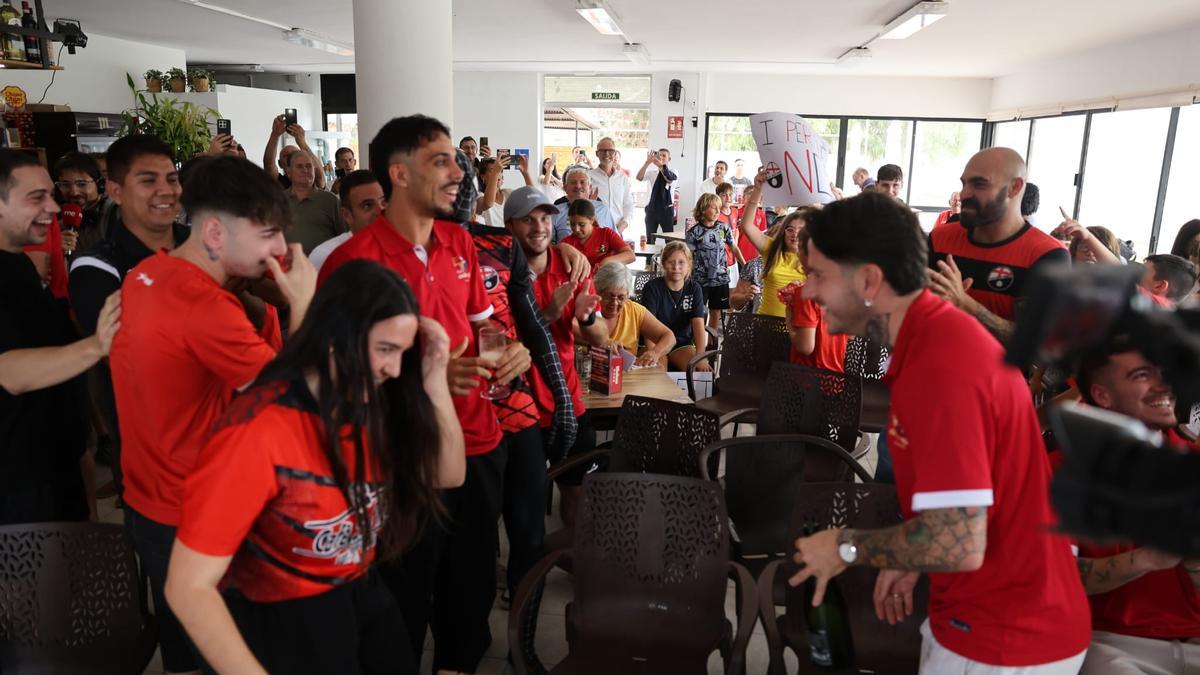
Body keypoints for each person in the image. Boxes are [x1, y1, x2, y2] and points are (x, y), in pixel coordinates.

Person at [791, 190, 1091, 674]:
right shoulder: (934, 339)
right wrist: (911, 553)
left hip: (1006, 636)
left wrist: (845, 545)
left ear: (868, 280)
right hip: (991, 616)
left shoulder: (941, 365)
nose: (808, 292)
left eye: (818, 275)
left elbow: (958, 543)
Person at [164, 261, 465, 675]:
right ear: (335, 337)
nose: (394, 369)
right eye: (385, 349)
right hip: (282, 609)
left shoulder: (372, 399)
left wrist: (434, 380)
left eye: (401, 352)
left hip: (357, 586)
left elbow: (448, 474)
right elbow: (187, 587)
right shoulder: (258, 432)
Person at [319, 115, 532, 673]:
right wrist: (426, 378)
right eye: (440, 161)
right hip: (401, 459)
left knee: (470, 589)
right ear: (399, 174)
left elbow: (484, 328)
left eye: (455, 161)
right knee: (402, 600)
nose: (458, 173)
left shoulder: (458, 241)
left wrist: (512, 350)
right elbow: (335, 382)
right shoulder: (352, 262)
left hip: (477, 443)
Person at [111, 156, 315, 675]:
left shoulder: (147, 273)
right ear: (215, 233)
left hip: (152, 502)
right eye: (268, 235)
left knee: (186, 653)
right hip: (200, 515)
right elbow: (297, 404)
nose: (280, 250)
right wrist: (304, 304)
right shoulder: (206, 307)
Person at [0, 149, 121, 525]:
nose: (54, 207)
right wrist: (98, 344)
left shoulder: (17, 265)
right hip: (19, 489)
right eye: (37, 198)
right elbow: (10, 371)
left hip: (52, 469)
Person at [1065, 339, 1200, 675]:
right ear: (1102, 395)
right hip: (1109, 642)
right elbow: (1056, 578)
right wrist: (1147, 559)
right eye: (1143, 375)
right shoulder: (1058, 473)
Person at [68, 135, 191, 496]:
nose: (165, 190)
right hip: (155, 454)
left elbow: (260, 313)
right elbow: (125, 357)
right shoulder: (97, 265)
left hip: (229, 438)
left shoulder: (203, 242)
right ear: (115, 191)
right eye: (148, 180)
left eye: (171, 179)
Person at [506, 185, 608, 529]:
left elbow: (601, 337)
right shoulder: (498, 274)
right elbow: (498, 343)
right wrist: (547, 314)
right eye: (528, 220)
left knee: (576, 495)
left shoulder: (572, 269)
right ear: (509, 226)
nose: (539, 227)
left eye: (545, 218)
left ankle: (572, 558)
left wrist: (587, 318)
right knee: (525, 507)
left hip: (568, 404)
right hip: (519, 412)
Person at [928, 148, 1069, 341]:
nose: (964, 194)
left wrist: (967, 305)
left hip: (995, 362)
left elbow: (1036, 344)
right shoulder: (940, 238)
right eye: (964, 183)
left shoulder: (1047, 254)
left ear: (1015, 188)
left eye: (979, 184)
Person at [739, 170, 809, 318]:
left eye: (801, 230)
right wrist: (758, 189)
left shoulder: (815, 258)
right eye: (790, 229)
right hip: (766, 323)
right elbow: (746, 225)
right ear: (783, 232)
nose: (795, 234)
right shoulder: (772, 249)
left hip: (798, 327)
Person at [785, 227, 848, 373]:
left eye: (800, 248)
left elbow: (805, 347)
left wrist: (789, 320)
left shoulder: (806, 293)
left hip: (806, 379)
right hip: (835, 378)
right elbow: (850, 336)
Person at [640, 241, 709, 372]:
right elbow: (647, 326)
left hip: (682, 344)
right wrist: (652, 353)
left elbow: (698, 323)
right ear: (663, 264)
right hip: (656, 342)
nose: (676, 267)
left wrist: (701, 356)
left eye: (681, 262)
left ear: (689, 265)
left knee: (697, 370)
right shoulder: (652, 288)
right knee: (657, 371)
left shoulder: (694, 288)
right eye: (671, 262)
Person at [593, 261, 675, 369]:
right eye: (609, 296)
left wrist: (655, 353)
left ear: (628, 295)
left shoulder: (634, 311)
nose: (614, 303)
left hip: (626, 375)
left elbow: (669, 336)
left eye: (621, 297)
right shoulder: (586, 308)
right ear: (597, 291)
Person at [687, 192, 746, 329]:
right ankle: (698, 339)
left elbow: (734, 247)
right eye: (714, 207)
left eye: (719, 208)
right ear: (703, 209)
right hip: (700, 280)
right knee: (698, 313)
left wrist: (745, 265)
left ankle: (712, 341)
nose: (718, 211)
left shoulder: (723, 227)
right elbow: (688, 257)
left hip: (720, 279)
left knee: (715, 312)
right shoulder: (693, 232)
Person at [309, 170, 386, 272]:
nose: (380, 211)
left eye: (383, 202)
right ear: (347, 215)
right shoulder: (325, 255)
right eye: (367, 206)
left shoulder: (399, 247)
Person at [283, 147, 344, 255]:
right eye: (299, 166)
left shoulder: (330, 201)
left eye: (309, 166)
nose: (305, 170)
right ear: (288, 172)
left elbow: (345, 236)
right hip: (289, 264)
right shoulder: (278, 201)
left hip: (326, 264)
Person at [52, 151, 113, 253]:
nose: (74, 192)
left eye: (82, 184)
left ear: (100, 184)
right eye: (65, 184)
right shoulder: (56, 221)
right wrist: (56, 251)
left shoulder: (117, 213)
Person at [562, 199, 634, 268]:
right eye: (572, 224)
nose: (576, 229)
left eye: (582, 224)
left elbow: (630, 255)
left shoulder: (606, 234)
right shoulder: (566, 243)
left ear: (592, 220)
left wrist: (606, 261)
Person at [551, 166, 616, 242]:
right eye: (573, 183)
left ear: (590, 188)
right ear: (565, 188)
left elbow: (615, 240)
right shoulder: (556, 213)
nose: (578, 186)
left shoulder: (603, 209)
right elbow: (548, 243)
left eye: (582, 182)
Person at [262, 115, 326, 190]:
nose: (291, 157)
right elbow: (269, 164)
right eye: (286, 156)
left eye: (295, 154)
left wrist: (302, 142)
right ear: (280, 164)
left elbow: (320, 177)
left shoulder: (310, 180)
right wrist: (275, 134)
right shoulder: (279, 182)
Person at [587, 137, 635, 234]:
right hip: (596, 231)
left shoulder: (622, 177)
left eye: (610, 151)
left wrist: (623, 224)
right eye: (603, 151)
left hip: (618, 231)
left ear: (615, 153)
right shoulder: (588, 176)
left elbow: (628, 204)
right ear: (597, 154)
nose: (607, 154)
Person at [636, 148, 677, 244]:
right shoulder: (652, 172)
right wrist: (647, 163)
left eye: (664, 155)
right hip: (652, 208)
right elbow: (639, 177)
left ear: (669, 159)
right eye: (659, 155)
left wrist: (660, 166)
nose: (661, 157)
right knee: (650, 239)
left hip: (666, 210)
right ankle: (649, 254)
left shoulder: (673, 172)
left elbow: (669, 179)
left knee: (669, 240)